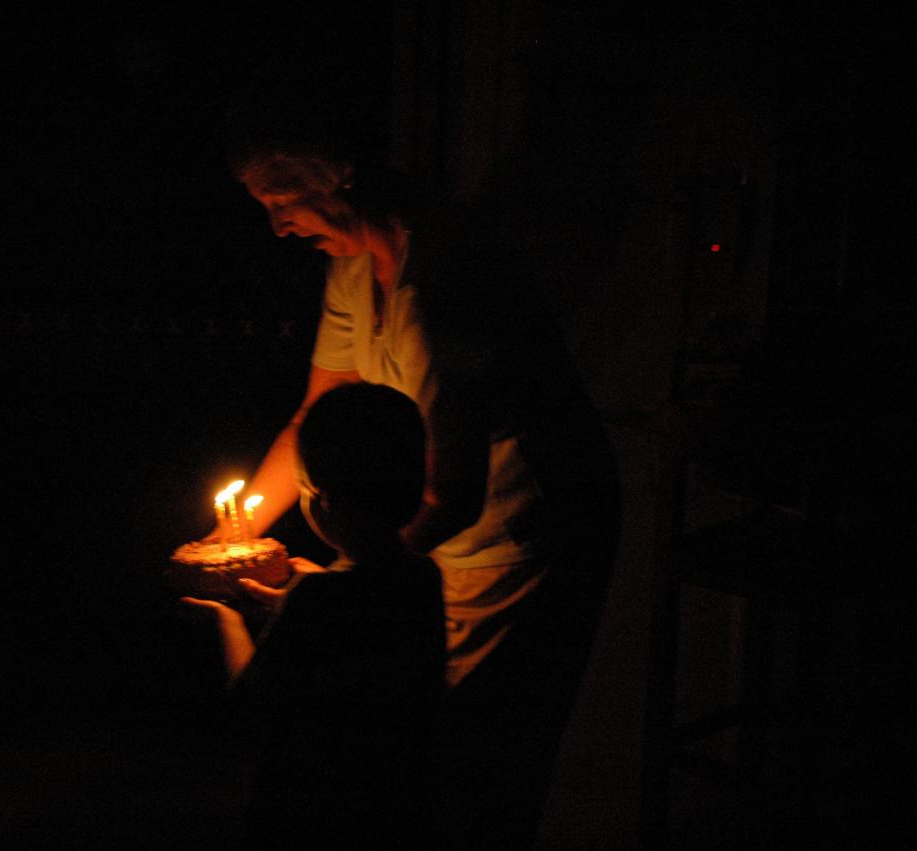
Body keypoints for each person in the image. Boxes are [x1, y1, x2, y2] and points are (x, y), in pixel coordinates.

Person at [225, 116, 621, 848]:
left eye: (281, 200)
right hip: (434, 537)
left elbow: (452, 493)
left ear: (336, 167)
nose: (277, 229)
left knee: (477, 763)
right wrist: (235, 531)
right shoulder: (351, 261)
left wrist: (341, 582)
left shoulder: (443, 280)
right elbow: (315, 414)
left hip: (523, 534)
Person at [182, 381, 444, 849]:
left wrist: (226, 620)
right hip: (395, 802)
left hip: (310, 808)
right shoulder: (423, 575)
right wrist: (305, 594)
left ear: (322, 500)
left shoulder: (317, 595)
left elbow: (251, 700)